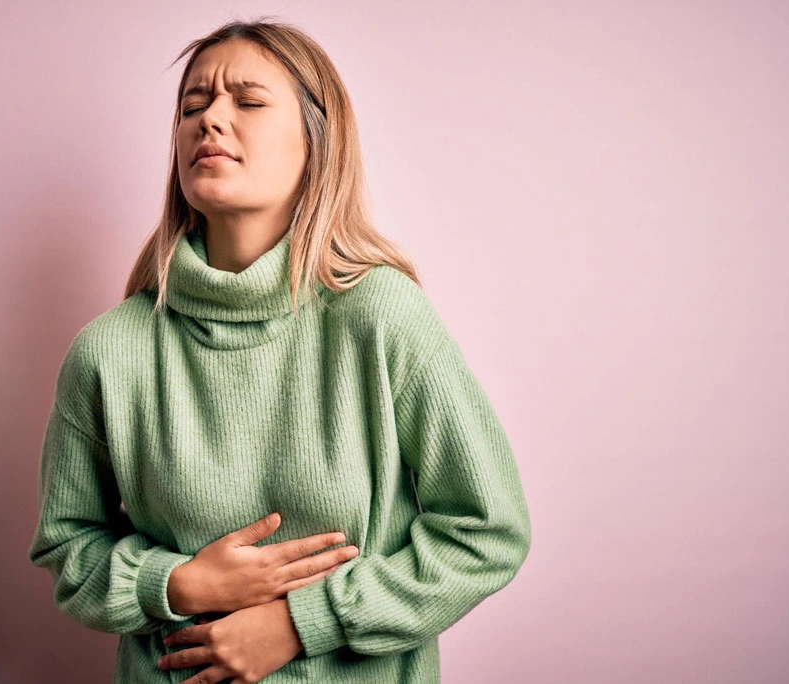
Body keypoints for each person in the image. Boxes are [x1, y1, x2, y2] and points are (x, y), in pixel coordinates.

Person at [28, 17, 531, 684]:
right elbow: (68, 549)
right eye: (193, 105)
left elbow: (486, 532)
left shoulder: (381, 317)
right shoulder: (109, 352)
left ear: (316, 142)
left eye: (249, 100)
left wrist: (300, 623)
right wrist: (177, 585)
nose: (211, 120)